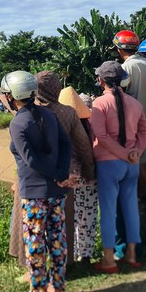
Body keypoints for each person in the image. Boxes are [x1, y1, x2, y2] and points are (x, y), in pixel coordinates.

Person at [0, 71, 70, 292]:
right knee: (57, 238)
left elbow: (32, 160)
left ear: (12, 96)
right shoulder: (48, 114)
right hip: (56, 191)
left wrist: (55, 174)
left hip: (33, 192)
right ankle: (57, 287)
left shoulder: (18, 122)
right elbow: (66, 144)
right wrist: (61, 174)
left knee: (36, 242)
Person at [90, 61, 146, 272]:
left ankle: (109, 259)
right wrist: (135, 153)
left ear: (101, 80)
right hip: (131, 164)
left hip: (108, 164)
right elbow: (144, 132)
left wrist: (124, 154)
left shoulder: (99, 103)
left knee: (108, 212)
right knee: (131, 209)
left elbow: (101, 136)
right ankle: (132, 255)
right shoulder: (135, 103)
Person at [33, 72, 96, 264]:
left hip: (40, 176)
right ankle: (66, 262)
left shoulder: (32, 112)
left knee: (39, 224)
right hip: (69, 172)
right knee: (65, 219)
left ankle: (40, 264)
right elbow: (83, 144)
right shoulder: (68, 112)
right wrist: (88, 169)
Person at [114, 30, 146, 212]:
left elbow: (122, 94)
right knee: (145, 159)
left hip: (132, 121)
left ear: (119, 49)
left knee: (136, 162)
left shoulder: (126, 68)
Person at [59, 87, 99, 262]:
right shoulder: (91, 126)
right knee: (88, 217)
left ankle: (71, 254)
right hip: (89, 178)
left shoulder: (62, 128)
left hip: (69, 180)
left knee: (70, 218)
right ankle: (86, 254)